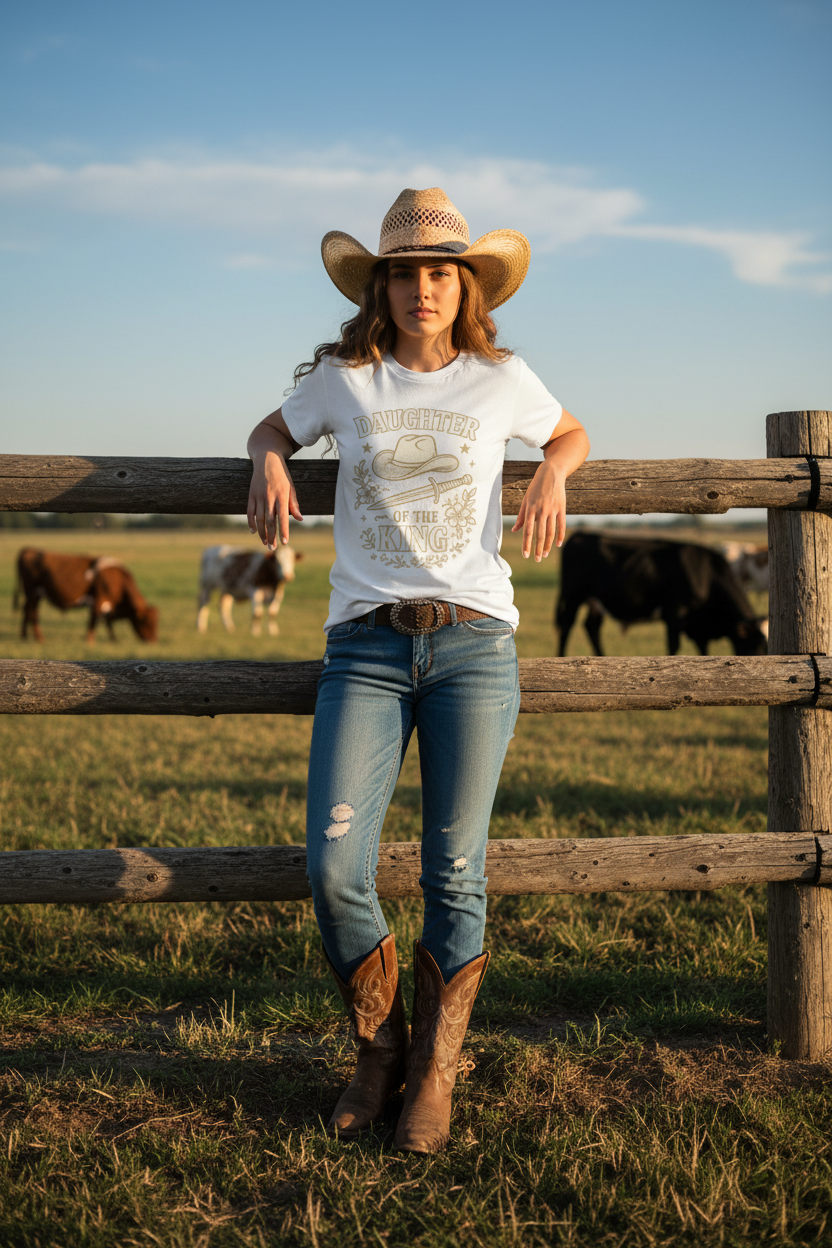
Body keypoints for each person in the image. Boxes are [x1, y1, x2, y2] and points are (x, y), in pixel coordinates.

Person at [246, 187, 589, 1153]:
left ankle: (436, 1073)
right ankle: (377, 1050)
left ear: (468, 285)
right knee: (335, 865)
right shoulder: (346, 380)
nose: (423, 288)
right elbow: (274, 426)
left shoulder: (500, 377)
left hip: (474, 648)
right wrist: (268, 455)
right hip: (366, 648)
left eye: (442, 272)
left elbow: (570, 429)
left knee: (453, 869)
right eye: (405, 273)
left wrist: (556, 468)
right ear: (381, 286)